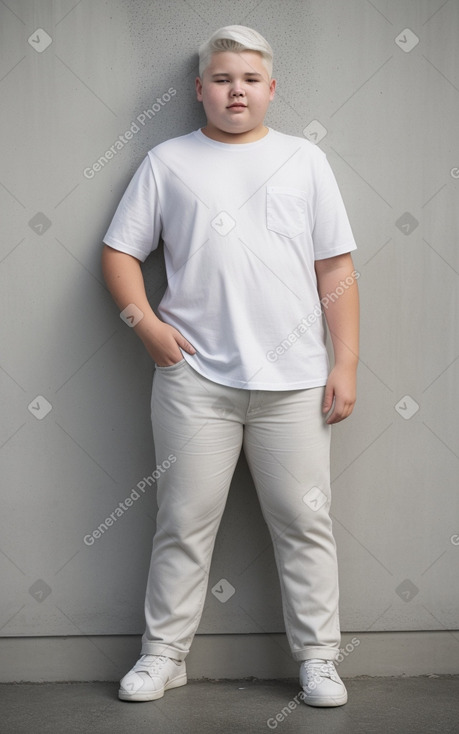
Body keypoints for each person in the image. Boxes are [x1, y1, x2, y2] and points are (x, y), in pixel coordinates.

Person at [101, 25, 359, 708]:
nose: (234, 89)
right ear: (199, 90)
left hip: (296, 383)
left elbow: (335, 266)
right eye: (220, 78)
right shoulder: (166, 162)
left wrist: (347, 362)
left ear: (270, 89)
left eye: (248, 79)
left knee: (305, 523)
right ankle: (163, 656)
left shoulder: (304, 160)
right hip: (194, 382)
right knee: (182, 521)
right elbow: (119, 253)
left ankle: (319, 660)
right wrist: (148, 328)